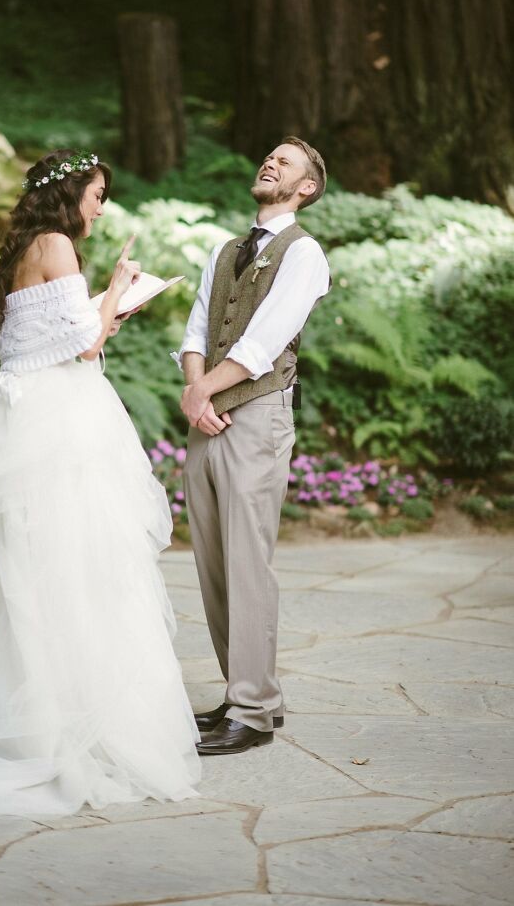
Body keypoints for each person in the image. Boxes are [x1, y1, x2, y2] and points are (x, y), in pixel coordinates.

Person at [0, 149, 200, 816]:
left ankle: (28, 713)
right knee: (78, 568)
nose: (101, 208)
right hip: (59, 422)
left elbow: (38, 337)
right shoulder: (57, 244)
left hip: (27, 416)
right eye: (98, 195)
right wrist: (120, 287)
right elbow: (83, 345)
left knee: (25, 566)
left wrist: (104, 307)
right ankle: (74, 723)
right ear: (72, 192)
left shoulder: (24, 247)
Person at [177, 136, 331, 756]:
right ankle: (243, 691)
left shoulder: (304, 252)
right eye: (268, 156)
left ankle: (255, 711)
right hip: (207, 414)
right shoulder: (226, 250)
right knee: (214, 562)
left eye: (285, 162)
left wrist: (203, 392)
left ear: (306, 187)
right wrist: (196, 391)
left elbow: (264, 341)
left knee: (248, 563)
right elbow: (196, 329)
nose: (270, 162)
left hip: (258, 415)